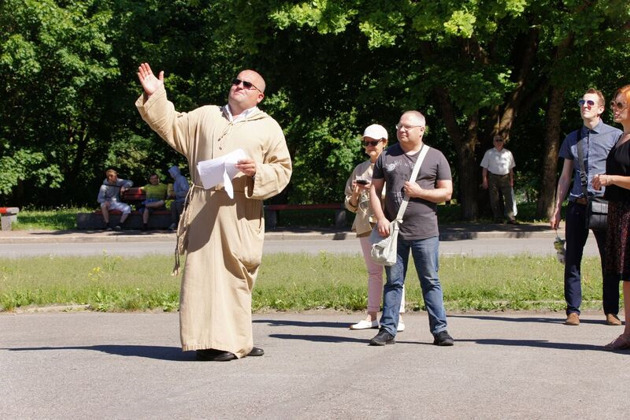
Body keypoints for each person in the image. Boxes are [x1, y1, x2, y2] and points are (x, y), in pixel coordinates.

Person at [136, 63, 292, 362]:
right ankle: (207, 342)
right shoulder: (206, 115)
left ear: (259, 96)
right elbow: (171, 125)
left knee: (236, 274)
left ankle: (236, 341)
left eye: (248, 85)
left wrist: (256, 170)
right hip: (204, 208)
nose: (240, 86)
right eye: (237, 81)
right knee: (202, 277)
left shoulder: (268, 126)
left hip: (240, 211)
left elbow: (282, 170)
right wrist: (157, 95)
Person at [368, 110, 454, 347]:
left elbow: (446, 192)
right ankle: (387, 330)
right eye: (399, 126)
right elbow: (374, 190)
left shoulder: (435, 157)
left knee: (430, 280)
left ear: (421, 130)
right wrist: (381, 218)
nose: (401, 130)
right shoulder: (387, 156)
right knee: (394, 282)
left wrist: (420, 192)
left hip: (425, 232)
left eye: (407, 127)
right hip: (394, 232)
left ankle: (440, 331)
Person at [550, 88, 623, 326]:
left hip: (605, 205)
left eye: (590, 103)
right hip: (578, 205)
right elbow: (564, 177)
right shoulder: (572, 138)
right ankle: (573, 311)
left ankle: (611, 311)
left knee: (609, 260)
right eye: (582, 101)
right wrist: (557, 208)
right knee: (572, 259)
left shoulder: (615, 136)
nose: (585, 105)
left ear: (601, 109)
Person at [344, 124, 405, 332]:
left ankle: (397, 316)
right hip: (364, 224)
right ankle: (371, 315)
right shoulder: (360, 169)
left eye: (374, 142)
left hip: (386, 223)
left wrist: (373, 189)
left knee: (393, 270)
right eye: (366, 142)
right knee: (373, 272)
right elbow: (349, 205)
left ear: (384, 143)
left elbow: (399, 195)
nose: (369, 146)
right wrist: (354, 194)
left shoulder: (393, 164)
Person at [592, 85, 630, 349]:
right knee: (626, 275)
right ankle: (629, 334)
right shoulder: (622, 137)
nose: (615, 109)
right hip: (619, 211)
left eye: (620, 105)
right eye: (615, 104)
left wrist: (610, 179)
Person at [480, 135, 517, 224]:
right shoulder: (489, 153)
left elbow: (511, 168)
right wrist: (485, 180)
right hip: (493, 176)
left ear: (503, 142)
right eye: (496, 140)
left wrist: (511, 180)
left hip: (505, 176)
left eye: (500, 140)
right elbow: (484, 168)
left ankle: (511, 218)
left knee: (508, 198)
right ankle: (497, 218)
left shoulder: (508, 153)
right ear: (493, 142)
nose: (498, 142)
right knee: (494, 198)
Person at [167, 165, 189, 230]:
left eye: (171, 173)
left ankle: (182, 222)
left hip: (184, 199)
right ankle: (174, 223)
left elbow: (186, 191)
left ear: (174, 172)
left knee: (178, 204)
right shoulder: (175, 181)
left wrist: (175, 194)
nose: (170, 174)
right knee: (173, 204)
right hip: (178, 199)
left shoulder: (181, 179)